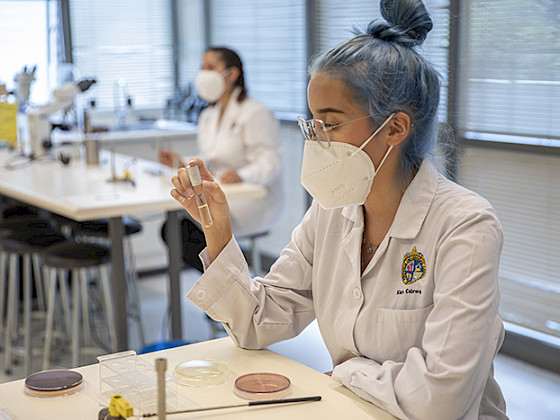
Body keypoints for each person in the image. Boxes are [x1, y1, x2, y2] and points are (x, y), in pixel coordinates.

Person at [169, 1, 508, 418]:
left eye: (330, 123)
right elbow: (259, 321)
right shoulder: (334, 210)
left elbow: (441, 399)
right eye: (312, 123)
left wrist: (349, 372)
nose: (317, 141)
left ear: (395, 128)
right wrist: (219, 232)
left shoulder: (465, 226)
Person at [159, 47, 282, 271]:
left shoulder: (255, 112)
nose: (204, 73)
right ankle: (225, 292)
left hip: (252, 200)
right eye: (202, 68)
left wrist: (242, 175)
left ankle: (229, 290)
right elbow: (213, 159)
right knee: (174, 230)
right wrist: (182, 162)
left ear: (232, 74)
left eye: (210, 67)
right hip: (221, 195)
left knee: (181, 232)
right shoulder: (208, 116)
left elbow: (270, 163)